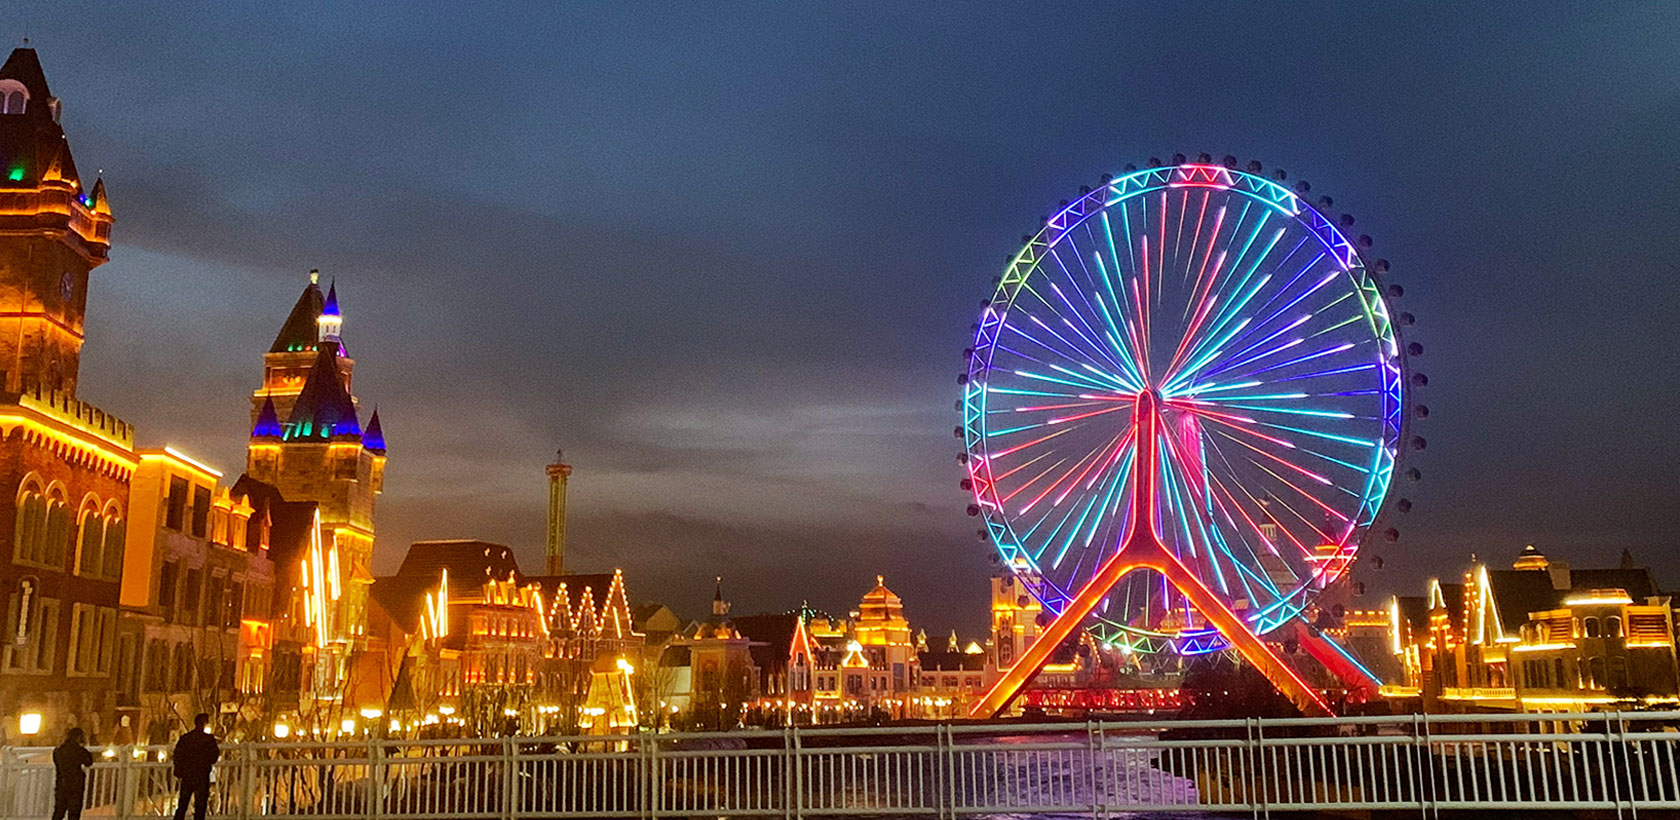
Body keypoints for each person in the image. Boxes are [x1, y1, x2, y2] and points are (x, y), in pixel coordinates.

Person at [171, 714, 220, 820]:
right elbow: (214, 757)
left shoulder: (186, 738)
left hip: (188, 774)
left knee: (183, 804)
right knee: (200, 805)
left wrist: (179, 771)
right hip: (202, 774)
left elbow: (178, 755)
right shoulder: (208, 740)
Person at [52, 727, 93, 820]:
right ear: (79, 737)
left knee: (59, 811)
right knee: (74, 812)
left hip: (61, 783)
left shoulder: (58, 750)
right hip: (76, 784)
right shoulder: (79, 750)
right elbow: (88, 762)